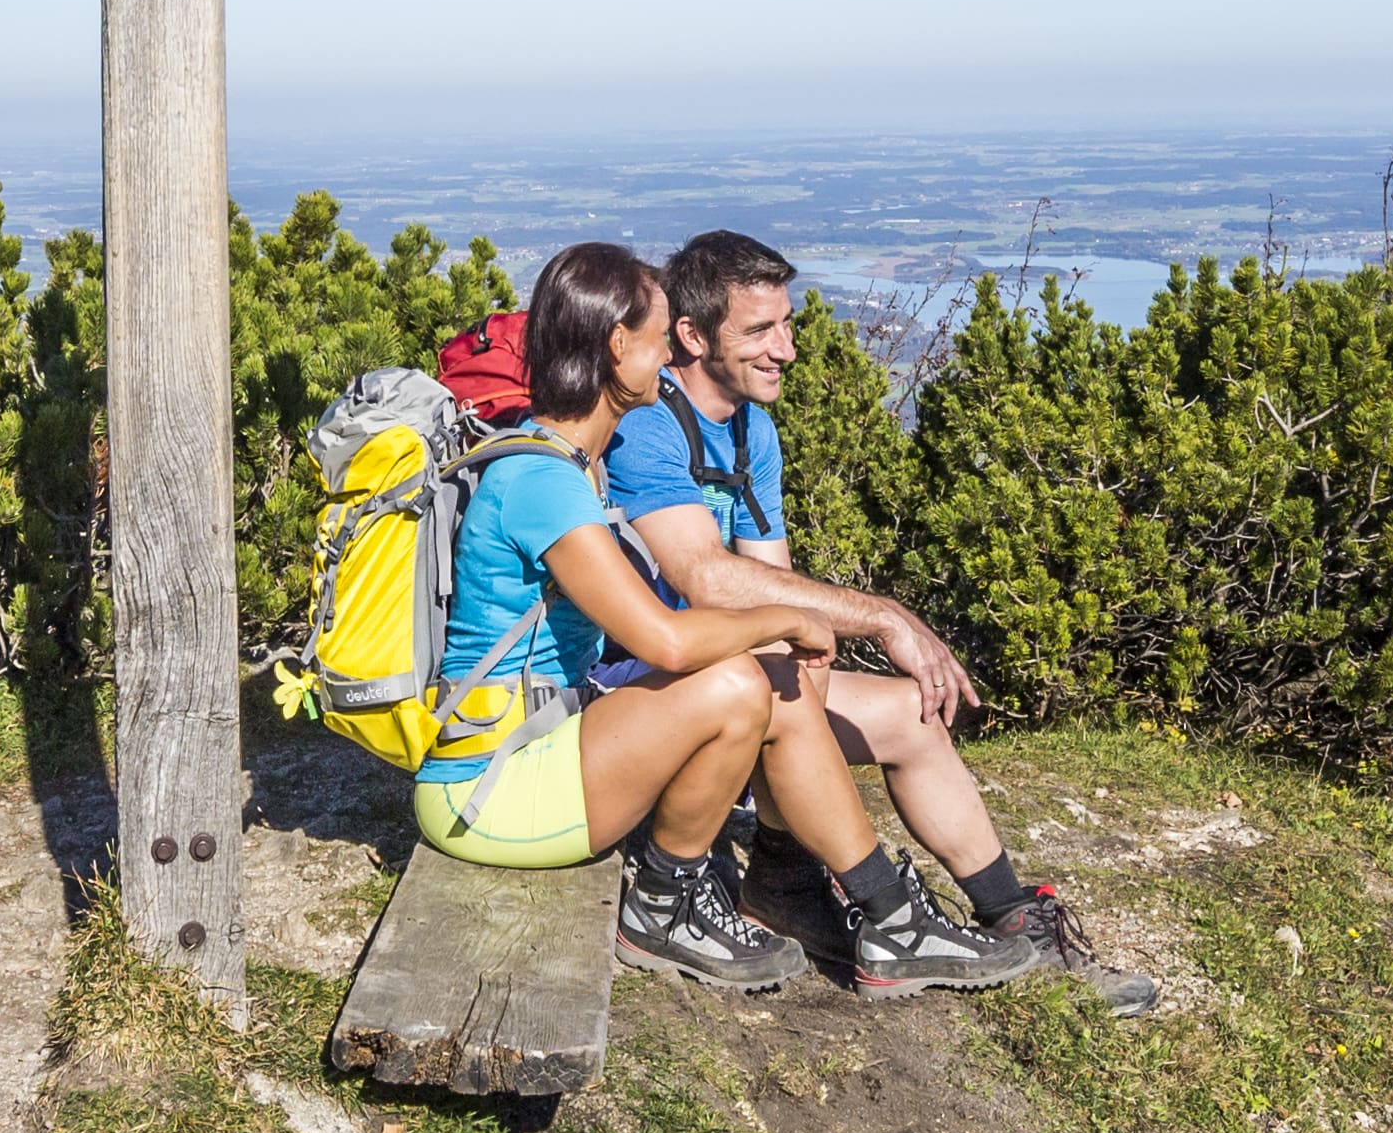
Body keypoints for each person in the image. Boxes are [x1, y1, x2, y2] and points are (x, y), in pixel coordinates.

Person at [609, 229, 1158, 1007]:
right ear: (692, 336)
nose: (786, 350)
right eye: (759, 330)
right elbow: (701, 576)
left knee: (908, 712)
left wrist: (822, 631)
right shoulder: (647, 422)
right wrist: (880, 616)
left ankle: (1008, 922)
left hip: (720, 674)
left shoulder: (747, 428)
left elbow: (771, 585)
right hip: (640, 692)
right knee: (785, 677)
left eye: (787, 324)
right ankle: (861, 904)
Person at [419, 238, 872, 992]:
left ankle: (756, 891)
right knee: (734, 685)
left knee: (741, 679)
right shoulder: (543, 482)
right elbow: (658, 637)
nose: (669, 362)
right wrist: (782, 621)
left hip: (533, 747)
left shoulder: (567, 463)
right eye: (661, 340)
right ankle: (665, 905)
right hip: (486, 793)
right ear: (614, 345)